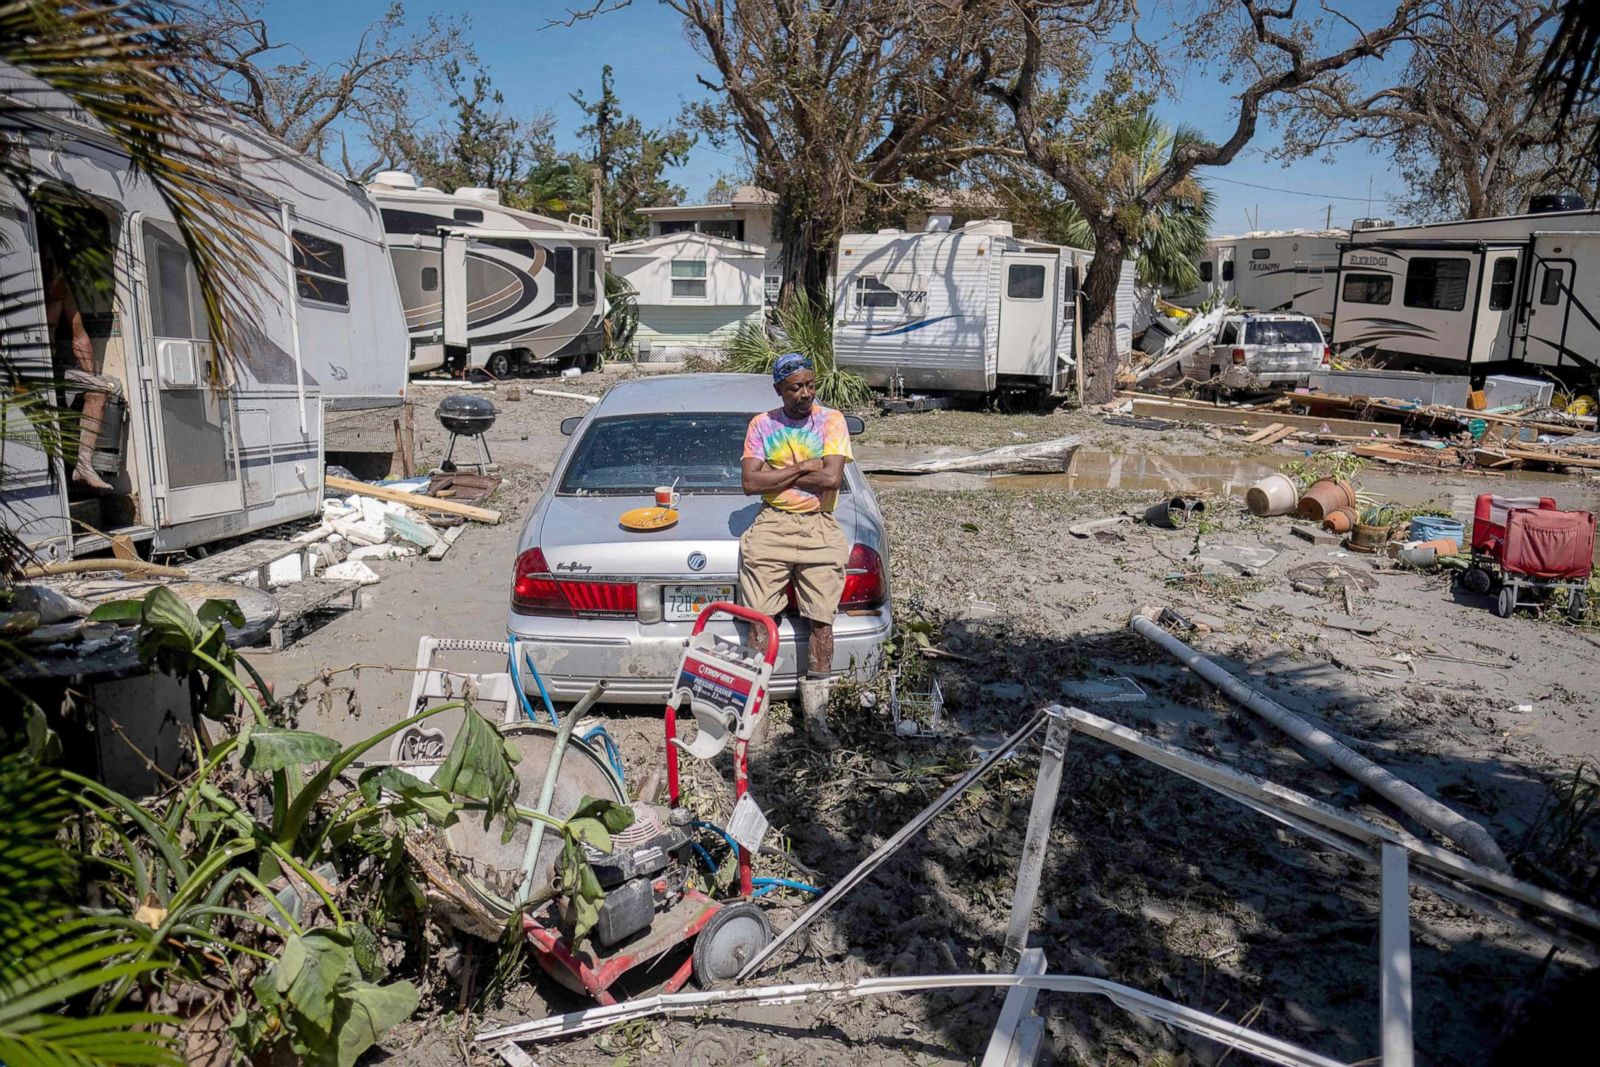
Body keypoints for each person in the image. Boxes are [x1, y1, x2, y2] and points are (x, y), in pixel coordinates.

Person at [738, 351, 852, 748]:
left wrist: (776, 476)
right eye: (795, 388)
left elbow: (833, 478)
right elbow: (751, 485)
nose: (805, 394)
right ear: (778, 390)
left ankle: (816, 717)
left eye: (810, 384)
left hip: (820, 524)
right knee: (759, 619)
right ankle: (757, 715)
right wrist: (805, 468)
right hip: (773, 524)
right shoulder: (762, 424)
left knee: (822, 620)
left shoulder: (831, 420)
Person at [41, 236, 118, 490]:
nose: (51, 265)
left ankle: (83, 466)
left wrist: (89, 376)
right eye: (47, 260)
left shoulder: (61, 289)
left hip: (51, 365)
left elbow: (79, 335)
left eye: (54, 260)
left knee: (99, 390)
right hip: (21, 369)